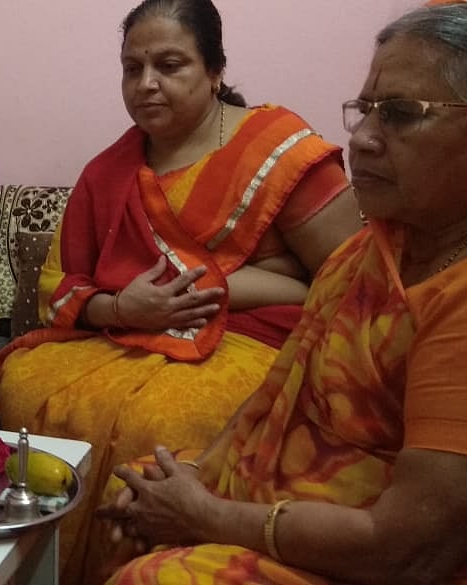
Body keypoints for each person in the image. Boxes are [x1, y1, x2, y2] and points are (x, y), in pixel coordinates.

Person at [0, 0, 363, 581]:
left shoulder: (277, 148)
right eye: (132, 68)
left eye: (169, 64)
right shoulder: (110, 170)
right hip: (130, 329)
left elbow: (349, 281)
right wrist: (122, 306)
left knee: (163, 419)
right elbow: (61, 289)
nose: (146, 84)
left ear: (214, 71)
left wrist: (225, 284)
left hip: (252, 340)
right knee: (29, 381)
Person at [94, 4, 467, 583]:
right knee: (136, 488)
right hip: (285, 494)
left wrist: (206, 514)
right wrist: (193, 479)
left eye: (399, 114)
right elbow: (274, 400)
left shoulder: (456, 298)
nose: (362, 139)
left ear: (214, 71)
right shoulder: (368, 254)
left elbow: (409, 550)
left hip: (367, 547)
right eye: (365, 110)